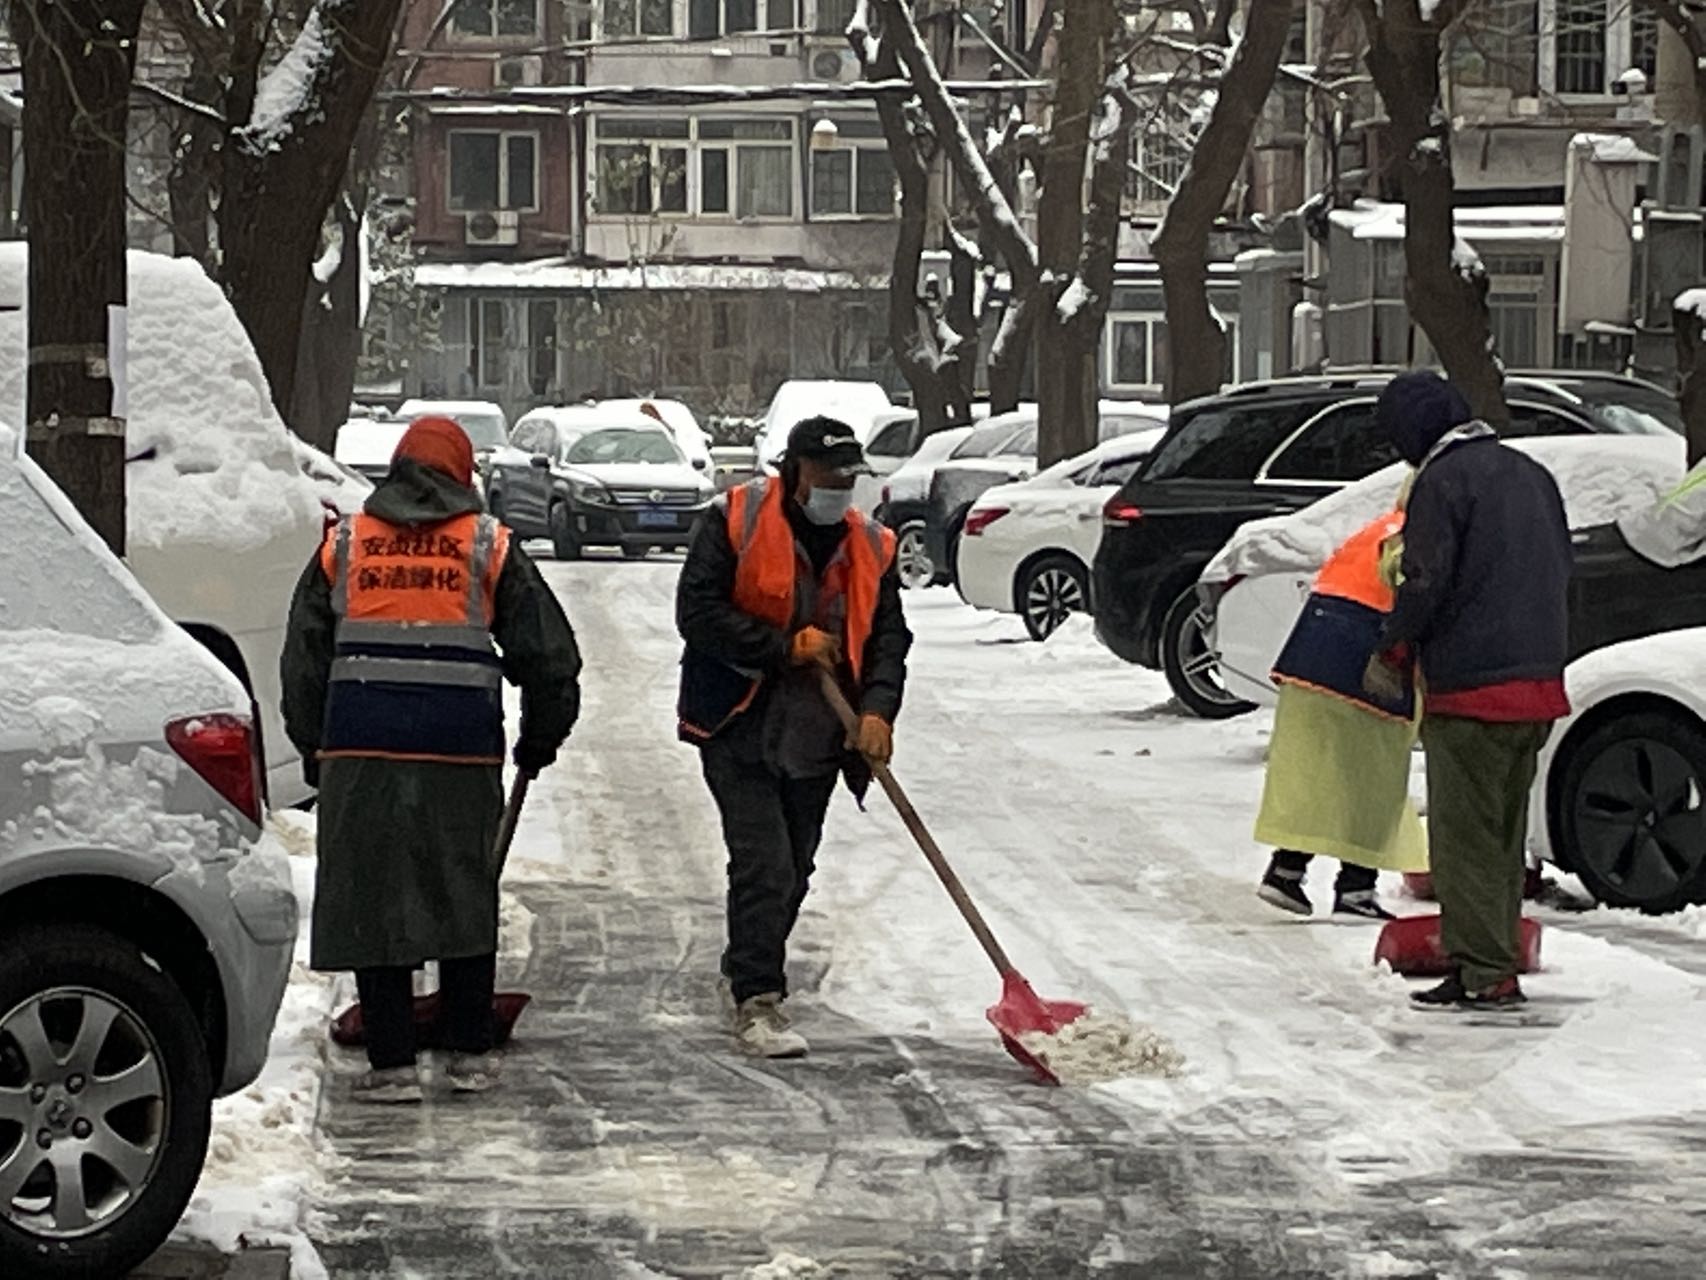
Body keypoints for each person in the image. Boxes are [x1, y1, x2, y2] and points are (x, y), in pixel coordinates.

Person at [282, 416, 581, 1102]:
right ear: (462, 474)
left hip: (361, 748)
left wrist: (313, 748)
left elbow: (303, 661)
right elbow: (550, 655)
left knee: (371, 898)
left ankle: (390, 1064)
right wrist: (543, 734)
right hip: (459, 751)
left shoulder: (347, 544)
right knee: (462, 892)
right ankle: (469, 1052)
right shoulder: (489, 545)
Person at [677, 416, 911, 1059]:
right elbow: (697, 613)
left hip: (818, 733)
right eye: (829, 474)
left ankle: (749, 964)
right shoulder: (733, 519)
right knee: (765, 863)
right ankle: (758, 997)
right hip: (738, 720)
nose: (840, 486)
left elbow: (889, 638)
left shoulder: (871, 543)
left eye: (850, 476)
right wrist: (783, 645)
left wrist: (879, 712)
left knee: (795, 867)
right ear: (794, 470)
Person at [1363, 372, 1572, 1013]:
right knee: (1504, 835)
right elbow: (1564, 569)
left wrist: (1392, 650)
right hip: (1537, 683)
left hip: (1472, 687)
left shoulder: (1442, 482)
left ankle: (1484, 972)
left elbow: (1423, 579)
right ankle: (1494, 957)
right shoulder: (1531, 474)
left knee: (1464, 837)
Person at [1256, 507, 1426, 921]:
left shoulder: (1382, 527)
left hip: (1312, 650)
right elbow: (1414, 588)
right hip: (1366, 660)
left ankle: (1286, 870)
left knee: (1321, 774)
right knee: (1374, 778)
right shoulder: (1419, 534)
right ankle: (1356, 887)